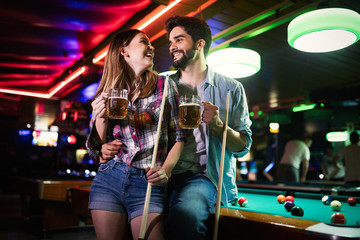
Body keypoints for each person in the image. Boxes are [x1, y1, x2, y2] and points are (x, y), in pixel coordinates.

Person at [85, 29, 185, 240]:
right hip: (109, 177)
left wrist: (165, 170)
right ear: (124, 51)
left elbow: (180, 137)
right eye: (144, 42)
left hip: (147, 181)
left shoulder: (165, 85)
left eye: (150, 44)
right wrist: (101, 120)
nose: (151, 47)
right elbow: (97, 149)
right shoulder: (106, 90)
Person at [164, 16, 253, 239]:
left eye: (179, 39)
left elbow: (243, 147)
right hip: (162, 172)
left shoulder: (231, 88)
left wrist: (219, 127)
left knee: (186, 217)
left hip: (203, 177)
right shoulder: (163, 86)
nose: (172, 46)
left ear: (199, 43)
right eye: (170, 42)